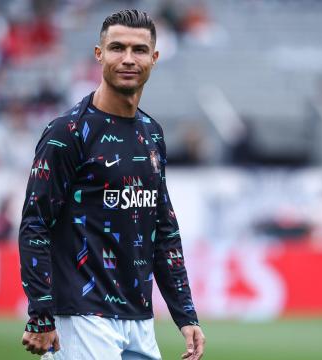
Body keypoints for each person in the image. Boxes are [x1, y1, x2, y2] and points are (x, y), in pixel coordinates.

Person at [19, 10, 205, 359]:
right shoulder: (68, 133)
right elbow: (35, 224)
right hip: (81, 316)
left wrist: (185, 314)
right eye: (117, 48)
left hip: (139, 319)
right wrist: (40, 313)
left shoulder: (152, 134)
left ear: (154, 58)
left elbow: (163, 230)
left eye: (139, 50)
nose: (128, 59)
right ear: (99, 54)